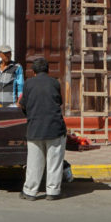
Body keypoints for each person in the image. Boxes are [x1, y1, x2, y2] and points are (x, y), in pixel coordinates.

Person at [18, 57, 67, 201]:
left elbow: (22, 104)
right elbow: (58, 102)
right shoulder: (55, 83)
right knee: (54, 161)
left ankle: (30, 192)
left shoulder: (28, 84)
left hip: (35, 128)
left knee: (34, 162)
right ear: (48, 70)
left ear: (33, 72)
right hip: (55, 127)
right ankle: (53, 192)